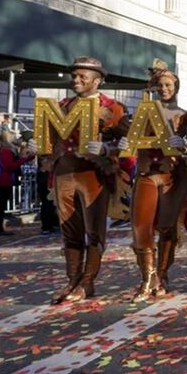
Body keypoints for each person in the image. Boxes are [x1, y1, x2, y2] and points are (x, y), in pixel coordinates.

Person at [50, 56, 129, 303]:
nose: (76, 80)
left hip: (94, 175)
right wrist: (37, 146)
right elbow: (50, 138)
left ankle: (88, 282)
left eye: (82, 76)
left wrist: (106, 149)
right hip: (64, 173)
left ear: (97, 81)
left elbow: (129, 141)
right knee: (69, 230)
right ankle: (72, 280)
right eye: (74, 76)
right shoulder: (62, 106)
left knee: (94, 231)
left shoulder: (112, 108)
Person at [117, 61, 187, 301]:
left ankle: (162, 274)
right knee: (141, 226)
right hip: (147, 174)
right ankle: (147, 277)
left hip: (174, 176)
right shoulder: (142, 115)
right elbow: (126, 141)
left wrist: (186, 147)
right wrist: (121, 145)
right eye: (160, 85)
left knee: (167, 227)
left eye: (168, 84)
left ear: (176, 87)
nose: (164, 88)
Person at [0, 129, 35, 236]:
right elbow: (9, 166)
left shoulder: (9, 150)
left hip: (7, 179)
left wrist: (26, 157)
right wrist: (23, 159)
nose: (16, 138)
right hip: (5, 180)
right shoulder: (6, 150)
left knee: (1, 205)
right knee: (0, 205)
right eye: (14, 137)